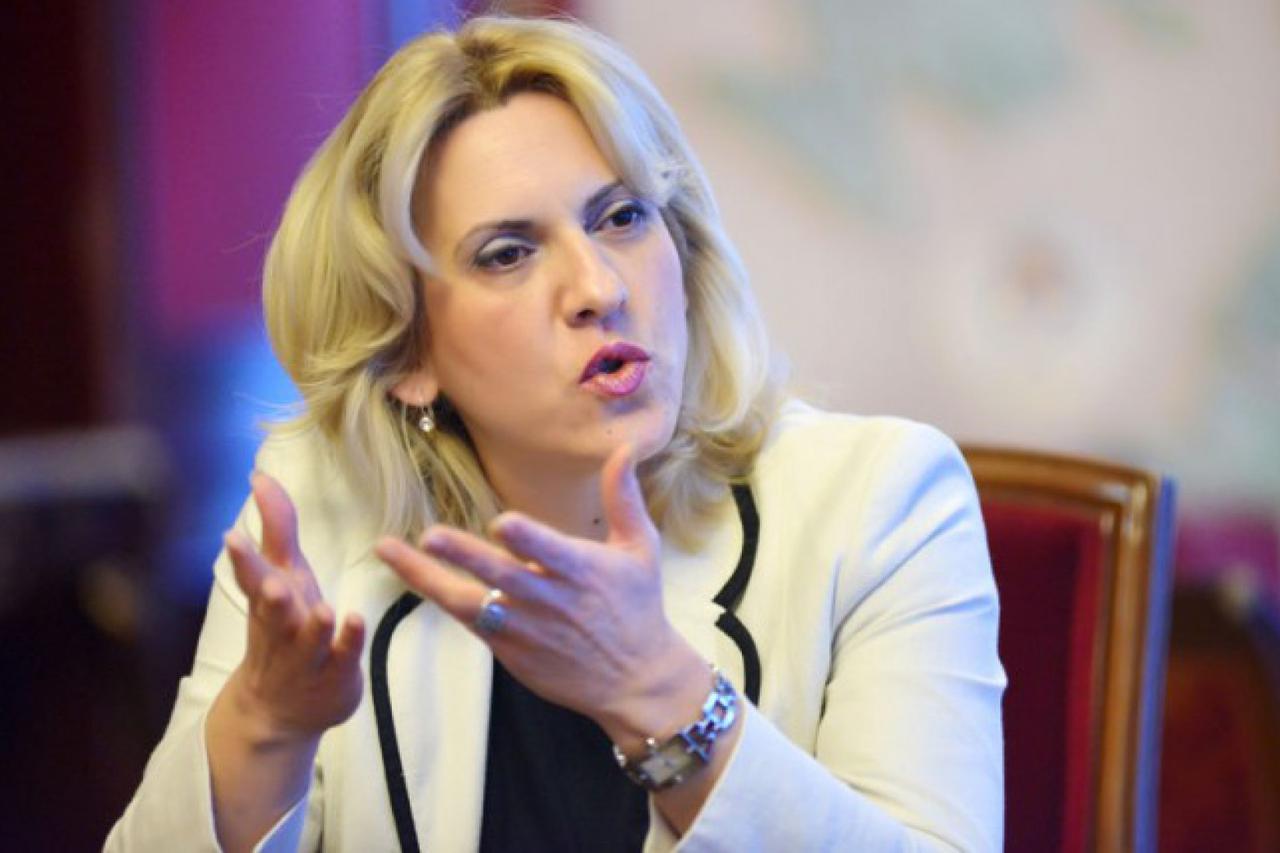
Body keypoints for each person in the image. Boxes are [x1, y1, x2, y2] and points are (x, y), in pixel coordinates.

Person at [107, 14, 1004, 852]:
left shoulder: (880, 503)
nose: (599, 287)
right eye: (508, 253)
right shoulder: (321, 512)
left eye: (622, 218)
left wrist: (657, 689)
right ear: (407, 351)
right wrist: (265, 722)